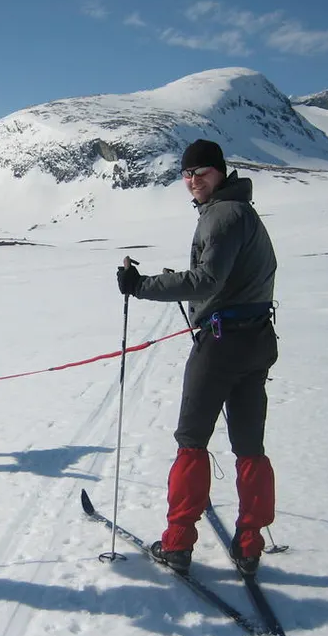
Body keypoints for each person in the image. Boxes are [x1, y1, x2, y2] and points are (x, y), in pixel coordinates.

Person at [117, 139, 278, 576]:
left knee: (191, 442)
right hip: (257, 339)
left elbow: (207, 280)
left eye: (201, 172)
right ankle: (250, 544)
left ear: (220, 172)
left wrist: (141, 285)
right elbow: (231, 277)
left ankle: (178, 543)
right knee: (250, 446)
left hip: (222, 346)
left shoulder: (223, 215)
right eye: (187, 174)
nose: (193, 180)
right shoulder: (243, 212)